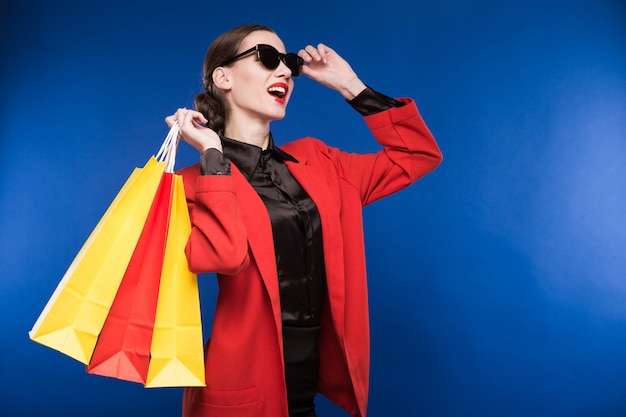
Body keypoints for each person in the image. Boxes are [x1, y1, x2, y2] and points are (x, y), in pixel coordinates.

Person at [165, 23, 442, 417]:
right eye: (267, 58)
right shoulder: (191, 183)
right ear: (222, 77)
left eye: (289, 63)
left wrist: (351, 86)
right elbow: (225, 257)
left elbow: (416, 155)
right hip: (240, 395)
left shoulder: (320, 161)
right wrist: (212, 157)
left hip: (305, 391)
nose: (284, 72)